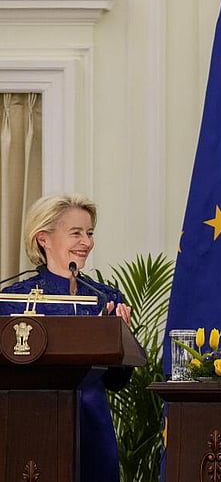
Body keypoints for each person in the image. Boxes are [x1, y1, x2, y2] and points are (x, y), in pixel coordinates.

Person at [0, 193, 133, 482]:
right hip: (28, 424)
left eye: (89, 233)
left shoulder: (104, 298)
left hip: (91, 424)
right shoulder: (12, 299)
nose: (86, 242)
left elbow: (117, 382)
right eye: (76, 233)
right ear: (43, 238)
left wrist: (117, 341)